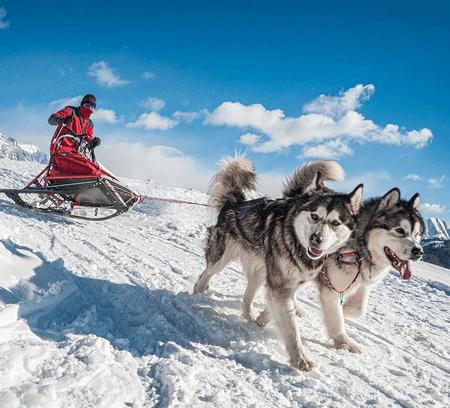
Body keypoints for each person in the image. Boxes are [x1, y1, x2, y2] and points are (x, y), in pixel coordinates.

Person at [47, 94, 103, 178]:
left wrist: (93, 142)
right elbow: (51, 120)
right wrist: (62, 120)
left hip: (75, 153)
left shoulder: (89, 124)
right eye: (87, 105)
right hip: (60, 150)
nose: (89, 109)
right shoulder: (71, 111)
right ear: (82, 105)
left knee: (94, 168)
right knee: (90, 169)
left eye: (92, 107)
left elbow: (88, 138)